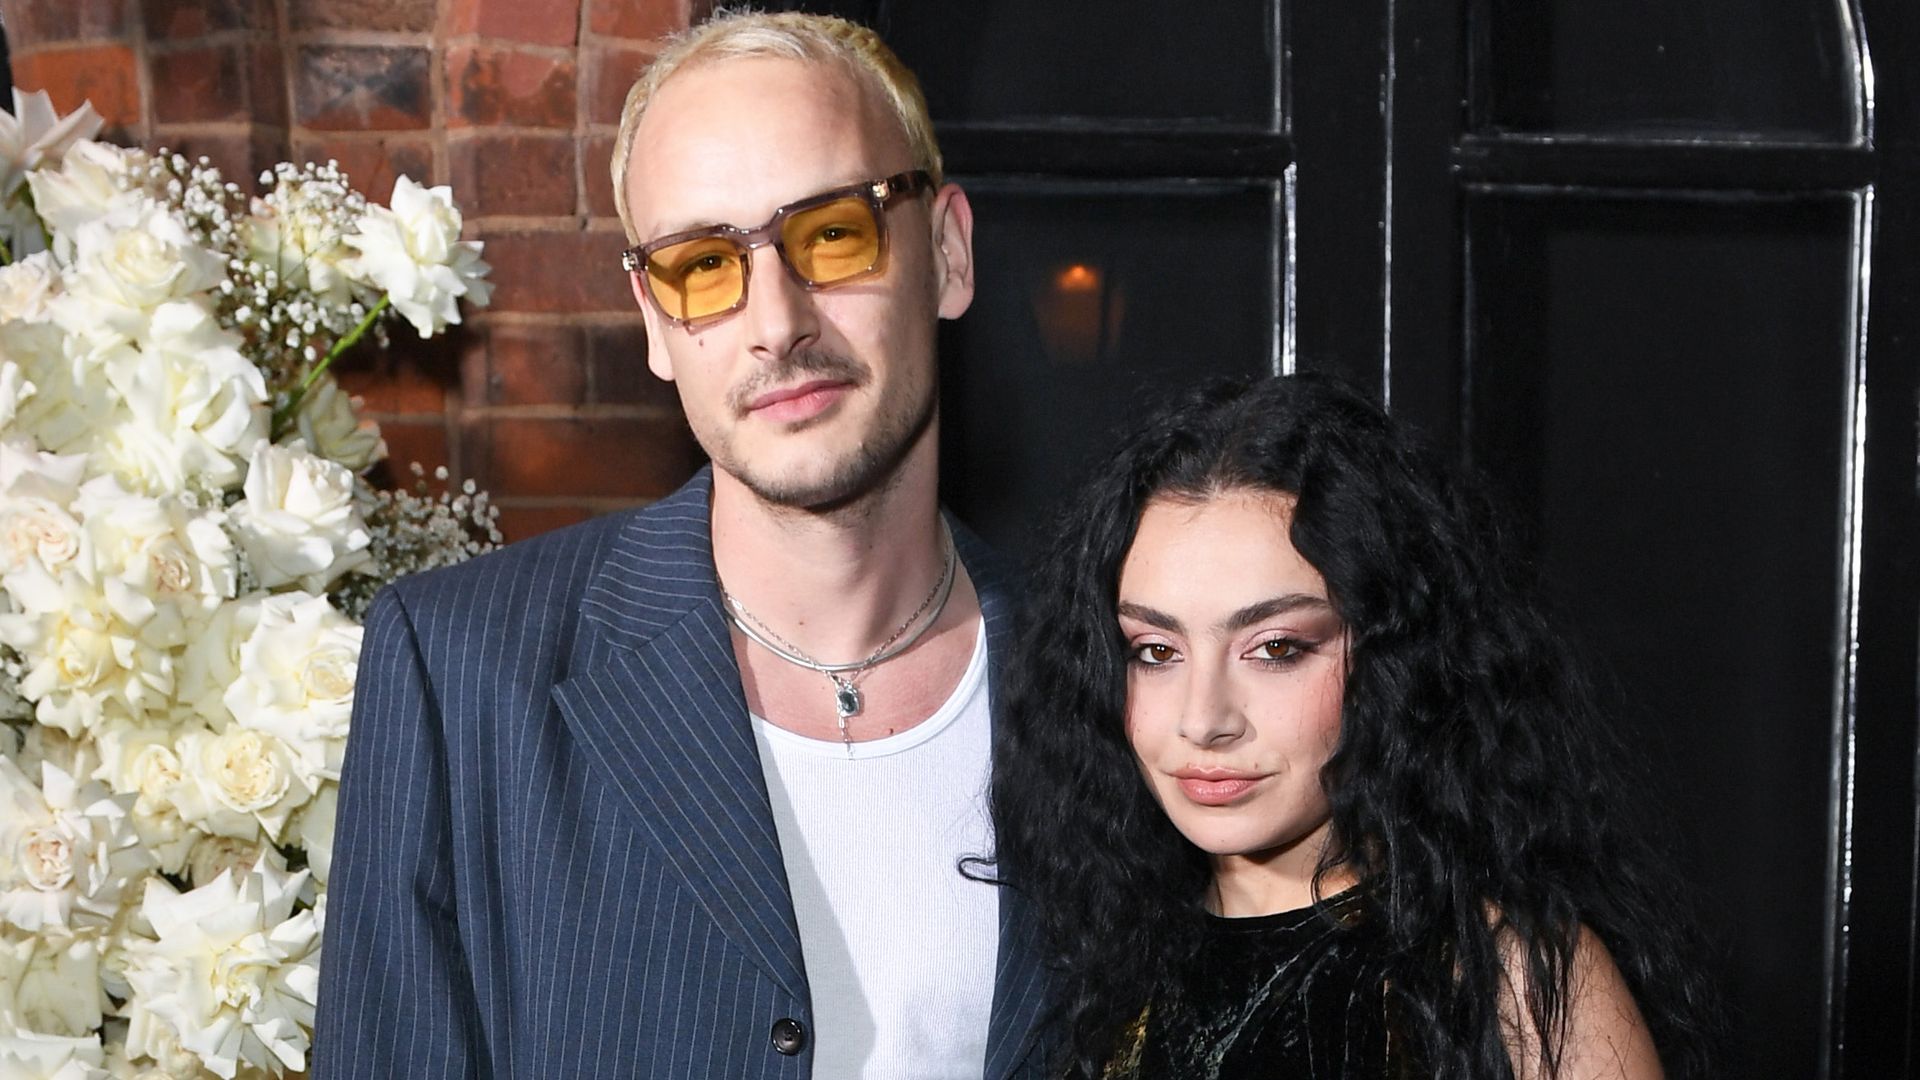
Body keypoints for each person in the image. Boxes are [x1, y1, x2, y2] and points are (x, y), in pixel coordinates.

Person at [313, 12, 1052, 1079]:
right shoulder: (461, 674)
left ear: (944, 252)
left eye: (833, 232)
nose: (776, 321)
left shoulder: (1109, 675)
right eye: (704, 265)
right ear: (654, 323)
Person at [985, 375, 1718, 1079]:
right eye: (1156, 652)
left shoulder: (1508, 978)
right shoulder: (1092, 970)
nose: (1202, 719)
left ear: (1393, 658)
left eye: (1276, 649)